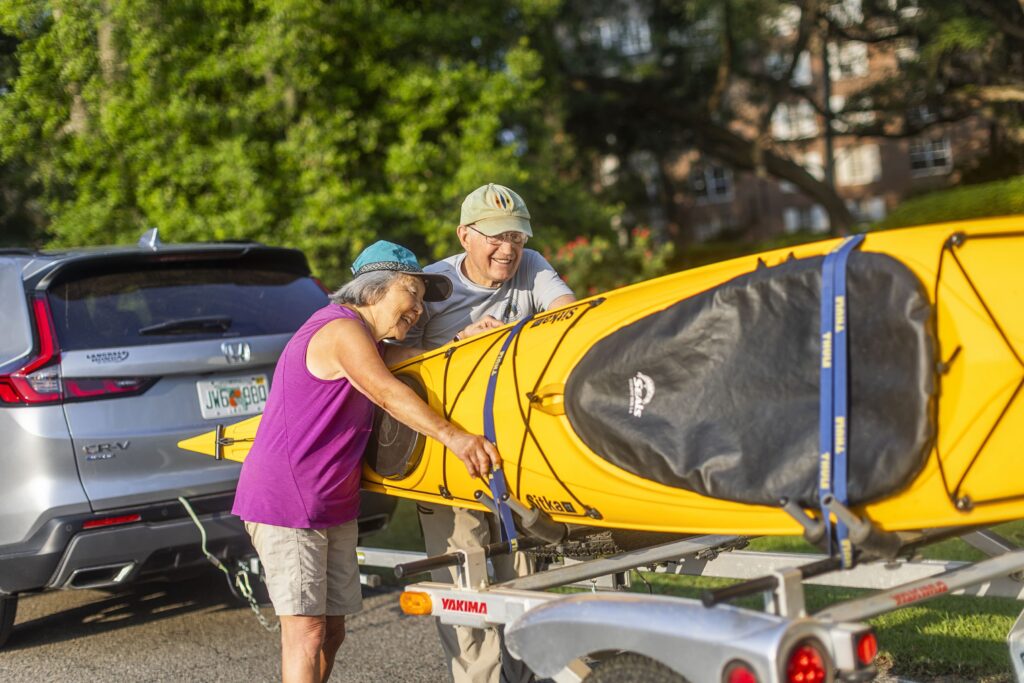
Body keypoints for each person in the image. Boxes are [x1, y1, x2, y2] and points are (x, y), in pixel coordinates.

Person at [232, 240, 502, 683]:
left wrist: (462, 342)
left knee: (332, 630)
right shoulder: (340, 331)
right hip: (289, 501)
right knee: (307, 631)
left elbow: (422, 362)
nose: (417, 310)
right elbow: (388, 394)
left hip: (330, 501)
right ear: (376, 288)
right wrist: (455, 437)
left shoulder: (372, 342)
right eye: (411, 295)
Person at [394, 183, 576, 683]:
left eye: (517, 236)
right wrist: (456, 347)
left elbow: (569, 318)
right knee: (463, 583)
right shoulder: (429, 284)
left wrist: (519, 337)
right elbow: (386, 353)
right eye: (495, 237)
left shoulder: (532, 265)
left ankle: (525, 676)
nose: (508, 249)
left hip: (518, 455)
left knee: (526, 577)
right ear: (464, 236)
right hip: (447, 457)